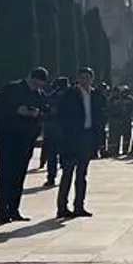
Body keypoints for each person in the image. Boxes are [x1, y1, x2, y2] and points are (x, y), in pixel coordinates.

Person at [0, 67, 50, 225]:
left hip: (26, 140)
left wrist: (37, 114)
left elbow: (47, 113)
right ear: (29, 77)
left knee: (19, 176)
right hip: (8, 139)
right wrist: (16, 110)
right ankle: (2, 212)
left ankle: (14, 209)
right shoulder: (12, 89)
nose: (36, 87)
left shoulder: (39, 95)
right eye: (35, 83)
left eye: (40, 85)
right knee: (4, 176)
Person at [51, 67, 104, 218]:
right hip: (72, 138)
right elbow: (61, 116)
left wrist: (99, 141)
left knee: (82, 174)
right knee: (67, 173)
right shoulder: (70, 94)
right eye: (82, 77)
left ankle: (79, 206)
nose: (84, 80)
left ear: (92, 79)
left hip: (87, 136)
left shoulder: (95, 95)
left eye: (87, 78)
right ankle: (62, 207)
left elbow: (99, 118)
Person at [106, 86, 133, 158]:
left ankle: (125, 150)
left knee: (127, 137)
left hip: (126, 120)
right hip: (115, 120)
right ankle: (114, 151)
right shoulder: (112, 99)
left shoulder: (130, 99)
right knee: (115, 137)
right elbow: (109, 109)